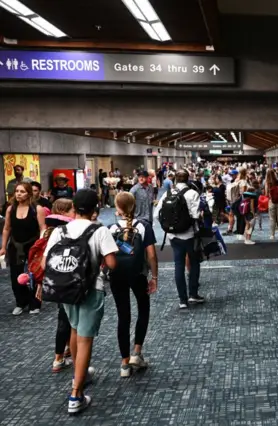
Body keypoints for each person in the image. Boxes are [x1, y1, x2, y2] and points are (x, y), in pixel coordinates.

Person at [43, 189, 119, 414]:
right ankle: (76, 394)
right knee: (85, 339)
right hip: (89, 289)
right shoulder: (99, 230)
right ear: (96, 209)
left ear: (74, 208)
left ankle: (80, 375)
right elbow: (112, 263)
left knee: (75, 331)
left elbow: (46, 261)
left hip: (65, 290)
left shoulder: (60, 230)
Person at [109, 192, 158, 377]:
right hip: (138, 274)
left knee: (123, 316)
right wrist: (154, 277)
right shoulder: (143, 226)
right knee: (143, 309)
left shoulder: (110, 228)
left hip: (117, 275)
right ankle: (137, 352)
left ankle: (124, 364)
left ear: (117, 208)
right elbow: (152, 255)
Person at [31, 198, 76, 372]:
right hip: (68, 279)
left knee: (64, 317)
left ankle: (64, 353)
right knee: (68, 320)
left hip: (55, 280)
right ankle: (61, 356)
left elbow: (43, 264)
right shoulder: (64, 231)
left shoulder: (48, 232)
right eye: (72, 209)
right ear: (64, 212)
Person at [154, 170, 204, 309]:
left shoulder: (167, 194)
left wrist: (169, 226)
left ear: (175, 179)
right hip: (189, 235)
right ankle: (193, 294)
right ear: (188, 179)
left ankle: (182, 300)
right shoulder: (192, 193)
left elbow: (156, 215)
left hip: (173, 236)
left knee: (178, 265)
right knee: (194, 263)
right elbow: (195, 215)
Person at [0, 182, 46, 315]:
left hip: (33, 245)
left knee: (34, 275)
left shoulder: (37, 209)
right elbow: (7, 228)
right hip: (15, 245)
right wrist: (3, 247)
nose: (19, 194)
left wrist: (42, 244)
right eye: (17, 191)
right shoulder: (11, 209)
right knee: (15, 275)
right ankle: (21, 301)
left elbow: (42, 227)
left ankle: (35, 303)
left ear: (29, 194)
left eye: (22, 191)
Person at [265, 169, 278, 240]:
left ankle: (272, 235)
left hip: (271, 202)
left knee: (272, 219)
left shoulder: (268, 183)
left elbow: (266, 194)